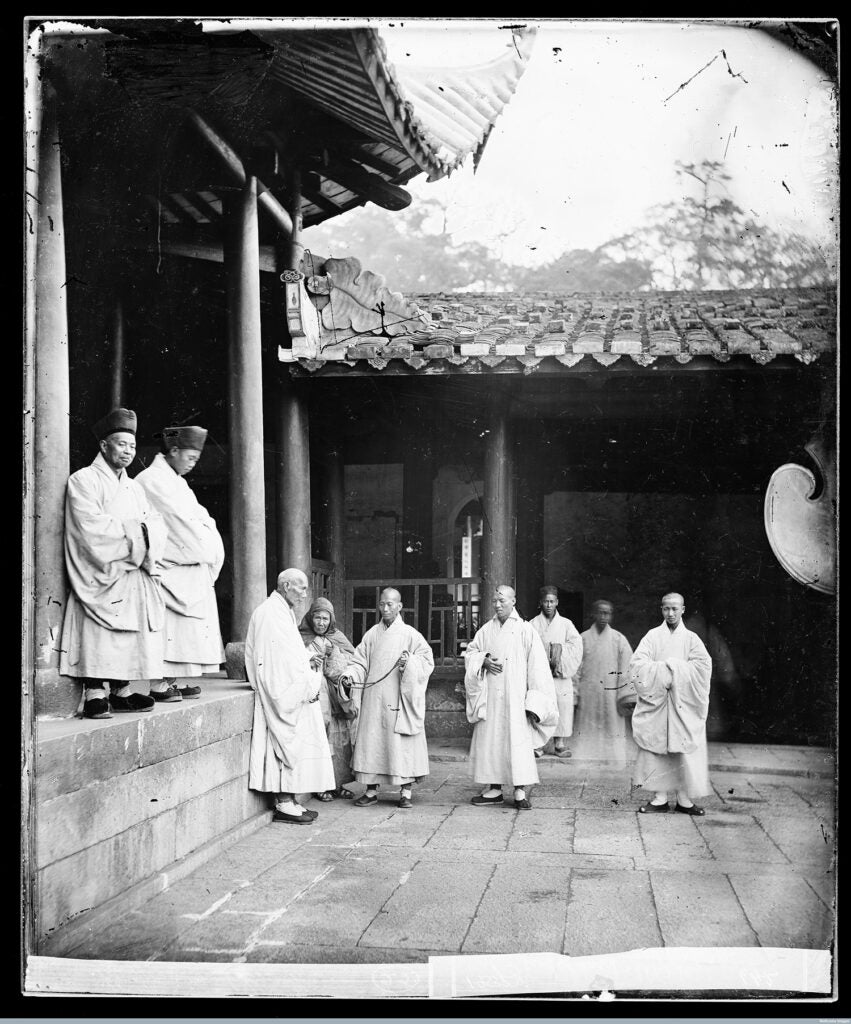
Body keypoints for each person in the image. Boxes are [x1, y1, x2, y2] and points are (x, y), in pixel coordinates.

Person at [59, 408, 168, 720]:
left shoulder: (135, 487)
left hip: (130, 570)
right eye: (121, 444)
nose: (128, 451)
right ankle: (95, 690)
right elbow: (92, 529)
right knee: (100, 636)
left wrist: (140, 534)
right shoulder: (84, 480)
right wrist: (139, 534)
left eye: (132, 446)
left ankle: (120, 689)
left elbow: (157, 526)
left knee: (127, 636)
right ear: (104, 446)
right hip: (101, 571)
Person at [135, 424, 225, 702]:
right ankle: (158, 684)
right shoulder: (149, 480)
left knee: (181, 632)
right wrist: (204, 544)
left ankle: (170, 680)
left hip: (188, 563)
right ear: (173, 451)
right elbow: (179, 525)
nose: (193, 465)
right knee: (167, 629)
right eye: (190, 458)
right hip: (168, 564)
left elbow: (204, 520)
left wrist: (207, 541)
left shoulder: (179, 483)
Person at [244, 569, 335, 824]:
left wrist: (307, 661)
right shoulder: (270, 613)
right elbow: (273, 663)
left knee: (299, 744)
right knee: (286, 745)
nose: (306, 594)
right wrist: (306, 679)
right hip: (280, 693)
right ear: (285, 586)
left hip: (292, 687)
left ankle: (291, 800)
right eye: (301, 588)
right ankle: (283, 802)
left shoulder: (282, 612)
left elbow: (289, 654)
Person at [463, 584, 558, 810]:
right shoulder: (486, 629)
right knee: (492, 742)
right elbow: (471, 653)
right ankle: (494, 789)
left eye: (502, 600)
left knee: (518, 742)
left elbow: (538, 669)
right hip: (492, 698)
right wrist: (482, 660)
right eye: (495, 601)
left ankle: (519, 791)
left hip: (516, 698)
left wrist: (534, 702)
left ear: (513, 602)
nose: (497, 605)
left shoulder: (526, 630)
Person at [338, 588, 434, 809]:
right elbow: (359, 662)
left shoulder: (410, 634)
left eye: (391, 604)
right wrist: (349, 676)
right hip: (374, 699)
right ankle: (371, 791)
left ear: (400, 607)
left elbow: (426, 661)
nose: (386, 608)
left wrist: (410, 664)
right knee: (373, 742)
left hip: (399, 699)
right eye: (382, 604)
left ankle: (406, 792)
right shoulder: (372, 633)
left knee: (401, 743)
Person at [629, 592, 713, 816]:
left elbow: (703, 668)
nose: (671, 613)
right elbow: (637, 665)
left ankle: (684, 799)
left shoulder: (692, 640)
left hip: (682, 706)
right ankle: (659, 798)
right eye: (666, 608)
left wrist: (674, 668)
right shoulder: (652, 637)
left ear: (683, 610)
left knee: (684, 750)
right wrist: (664, 674)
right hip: (657, 705)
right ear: (661, 610)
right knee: (655, 750)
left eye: (675, 608)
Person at [299, 596, 358, 801]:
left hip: (334, 696)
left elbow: (351, 664)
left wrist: (334, 654)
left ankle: (337, 783)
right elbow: (292, 662)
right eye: (318, 618)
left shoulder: (336, 637)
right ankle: (320, 785)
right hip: (313, 695)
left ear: (331, 620)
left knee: (338, 739)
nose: (321, 622)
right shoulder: (300, 637)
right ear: (311, 618)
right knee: (319, 738)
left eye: (325, 618)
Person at [573, 600, 635, 768]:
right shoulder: (583, 638)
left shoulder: (618, 639)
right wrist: (575, 692)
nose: (603, 616)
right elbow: (576, 668)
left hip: (611, 692)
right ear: (594, 614)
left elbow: (627, 667)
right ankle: (587, 762)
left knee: (612, 725)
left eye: (607, 613)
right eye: (600, 612)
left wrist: (625, 694)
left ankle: (613, 762)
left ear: (611, 616)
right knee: (588, 726)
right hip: (589, 692)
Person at [529, 585, 583, 757]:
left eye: (552, 601)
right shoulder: (532, 624)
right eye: (546, 601)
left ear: (557, 602)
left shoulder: (566, 624)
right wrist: (546, 653)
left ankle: (559, 743)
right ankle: (539, 744)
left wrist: (558, 653)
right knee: (541, 707)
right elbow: (528, 648)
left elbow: (576, 646)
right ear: (540, 603)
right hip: (541, 675)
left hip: (561, 675)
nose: (549, 605)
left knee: (563, 707)